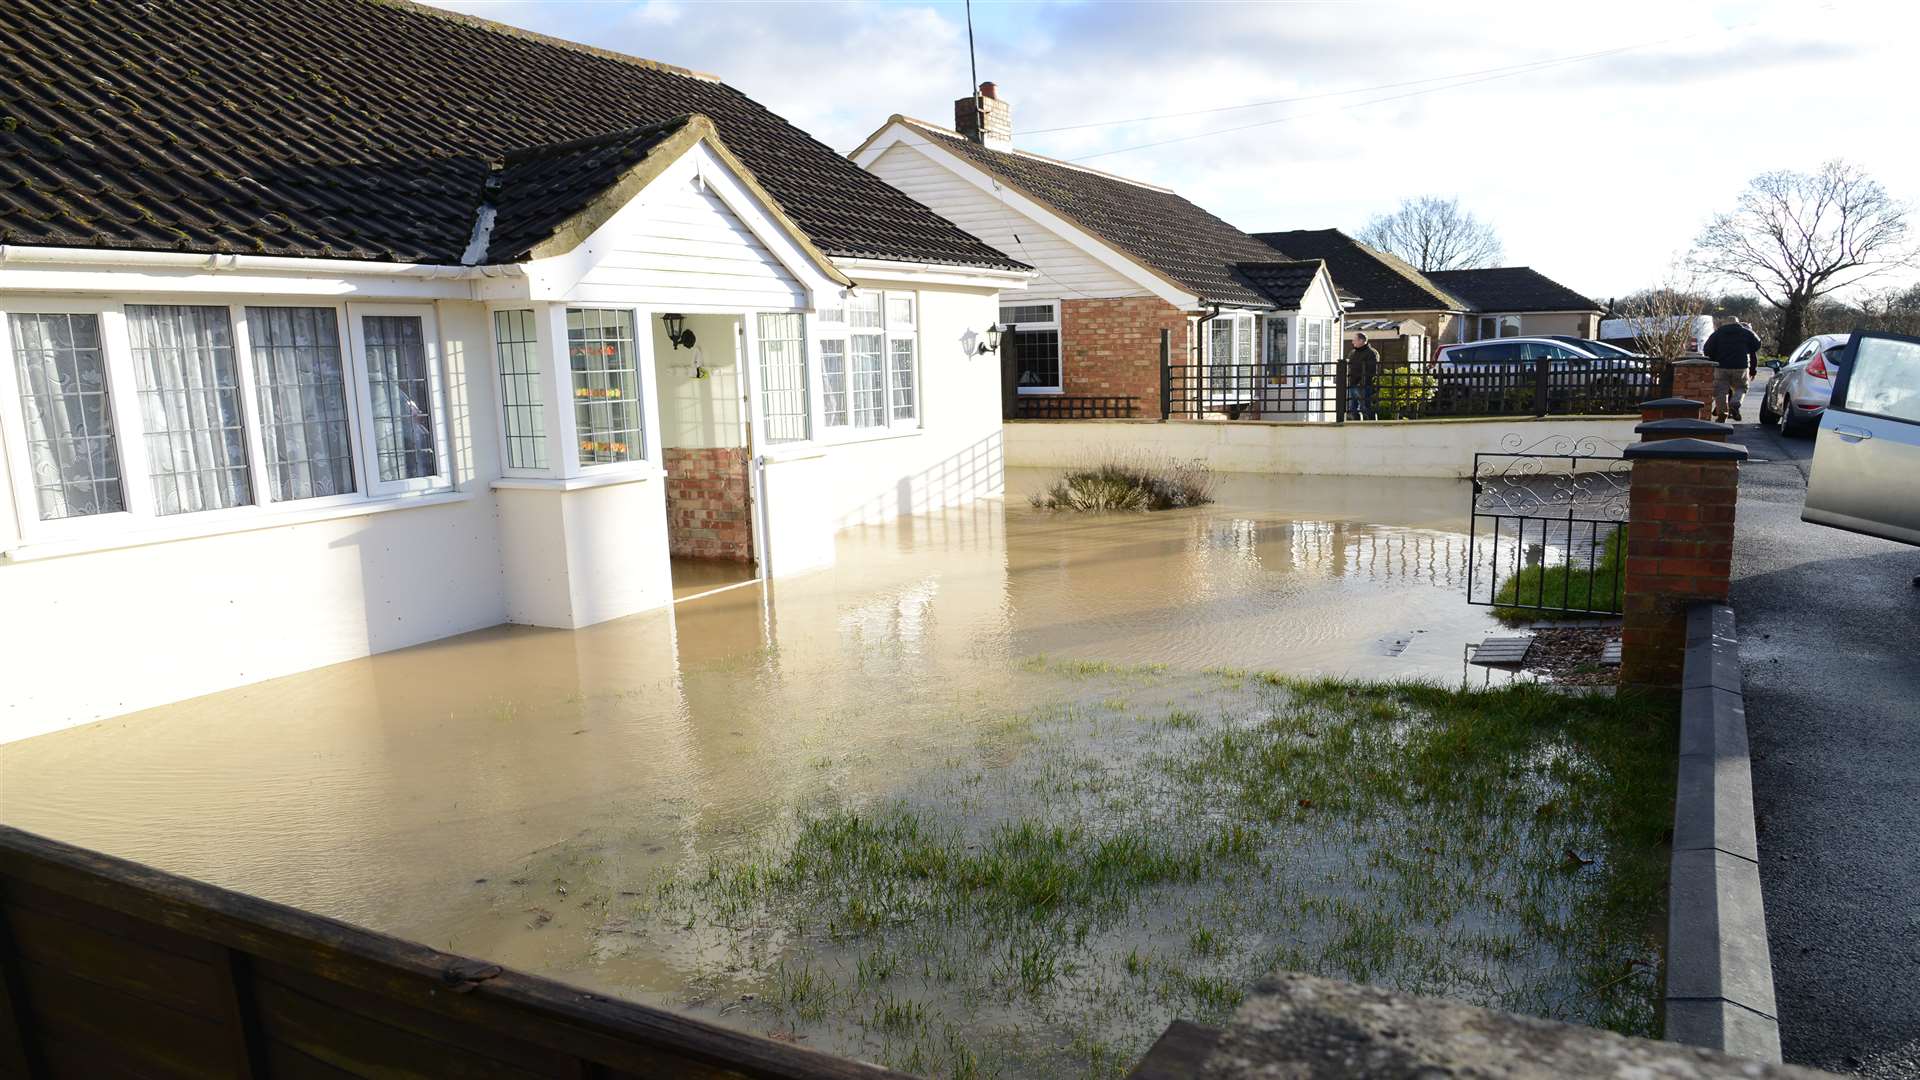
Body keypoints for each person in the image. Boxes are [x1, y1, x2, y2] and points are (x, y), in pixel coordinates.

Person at [1702, 318, 1761, 422]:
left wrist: (1714, 357)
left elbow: (1706, 350)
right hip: (1741, 366)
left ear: (1724, 324)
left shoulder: (1718, 333)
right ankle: (1735, 404)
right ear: (1737, 323)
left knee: (1721, 391)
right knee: (1742, 387)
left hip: (1721, 366)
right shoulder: (1746, 332)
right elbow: (1757, 345)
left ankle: (1722, 413)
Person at [1345, 332, 1380, 420]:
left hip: (1365, 384)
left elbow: (1372, 370)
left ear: (1361, 341)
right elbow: (1350, 366)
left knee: (1366, 406)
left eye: (1354, 340)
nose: (1352, 342)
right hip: (1353, 383)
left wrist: (1363, 381)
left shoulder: (1371, 353)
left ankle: (1372, 424)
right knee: (1353, 407)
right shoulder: (1353, 353)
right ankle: (1356, 425)